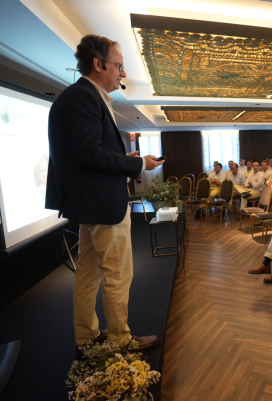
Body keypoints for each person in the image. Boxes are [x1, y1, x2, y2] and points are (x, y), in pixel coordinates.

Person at [45, 34, 163, 353]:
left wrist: (129, 161)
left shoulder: (82, 96)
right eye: (119, 66)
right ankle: (121, 339)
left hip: (92, 204)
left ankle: (87, 336)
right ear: (98, 64)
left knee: (89, 274)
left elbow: (88, 153)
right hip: (102, 203)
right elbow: (88, 154)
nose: (123, 73)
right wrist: (136, 163)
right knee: (117, 275)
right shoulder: (85, 97)